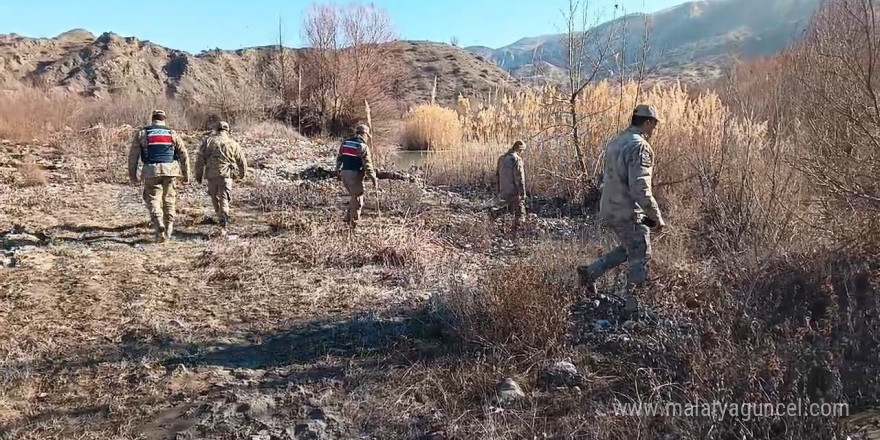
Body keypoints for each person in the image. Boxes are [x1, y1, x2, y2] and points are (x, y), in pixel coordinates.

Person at [577, 105, 666, 315]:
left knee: (629, 248)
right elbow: (640, 188)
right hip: (630, 212)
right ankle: (633, 309)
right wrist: (656, 217)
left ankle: (590, 273)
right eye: (655, 124)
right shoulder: (640, 147)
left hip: (610, 207)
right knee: (641, 254)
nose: (655, 128)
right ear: (647, 122)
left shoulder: (616, 141)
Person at [128, 110, 190, 242]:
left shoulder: (143, 133)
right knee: (169, 200)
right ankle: (168, 230)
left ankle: (158, 222)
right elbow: (183, 154)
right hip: (170, 171)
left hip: (151, 171)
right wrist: (186, 175)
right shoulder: (172, 133)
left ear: (153, 119)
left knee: (152, 198)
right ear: (164, 119)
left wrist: (133, 175)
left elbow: (133, 156)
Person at [194, 121, 248, 230]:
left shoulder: (208, 141)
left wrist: (198, 176)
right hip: (226, 174)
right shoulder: (232, 143)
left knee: (215, 198)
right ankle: (224, 222)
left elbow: (199, 160)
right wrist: (242, 174)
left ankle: (220, 218)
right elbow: (242, 161)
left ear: (216, 129)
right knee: (224, 198)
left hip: (211, 175)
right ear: (227, 130)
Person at [335, 123, 377, 229]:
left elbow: (339, 159)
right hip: (354, 175)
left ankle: (347, 219)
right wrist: (373, 178)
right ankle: (353, 225)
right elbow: (368, 165)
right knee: (358, 199)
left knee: (353, 197)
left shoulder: (345, 143)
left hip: (344, 174)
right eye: (367, 136)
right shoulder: (362, 146)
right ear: (364, 134)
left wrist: (337, 172)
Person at [489, 140, 527, 236]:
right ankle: (517, 232)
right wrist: (522, 193)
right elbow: (519, 178)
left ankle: (494, 214)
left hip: (503, 190)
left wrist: (498, 189)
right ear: (519, 149)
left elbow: (497, 175)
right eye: (522, 151)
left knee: (508, 208)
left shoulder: (501, 159)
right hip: (513, 191)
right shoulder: (517, 160)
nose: (522, 153)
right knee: (520, 212)